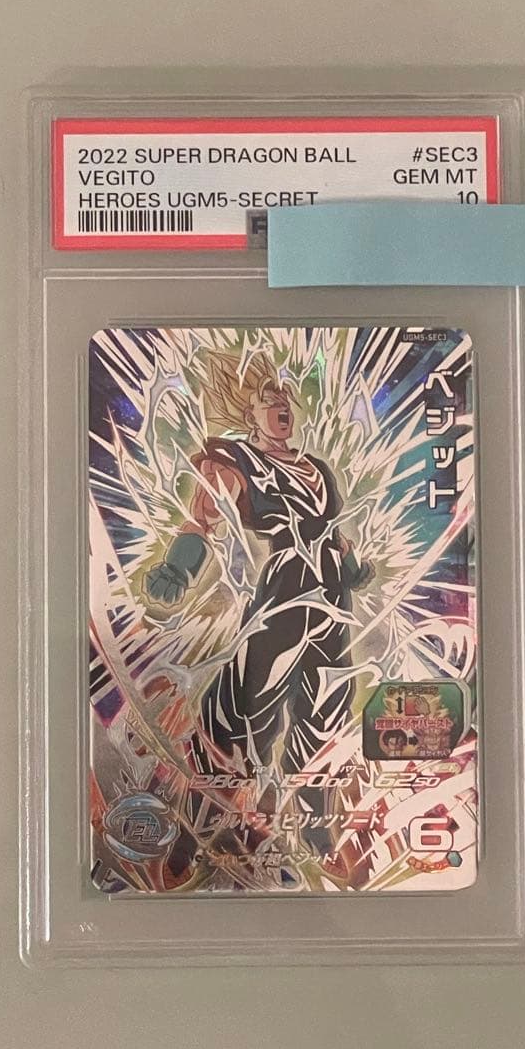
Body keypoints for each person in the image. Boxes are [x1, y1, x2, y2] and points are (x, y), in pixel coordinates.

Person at [144, 350, 372, 866]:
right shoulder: (236, 463)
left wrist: (352, 564)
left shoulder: (317, 469)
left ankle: (313, 824)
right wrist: (178, 568)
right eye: (268, 400)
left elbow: (333, 532)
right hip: (286, 592)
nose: (281, 406)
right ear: (248, 412)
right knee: (248, 708)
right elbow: (202, 521)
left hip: (331, 599)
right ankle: (201, 825)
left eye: (284, 396)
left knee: (327, 707)